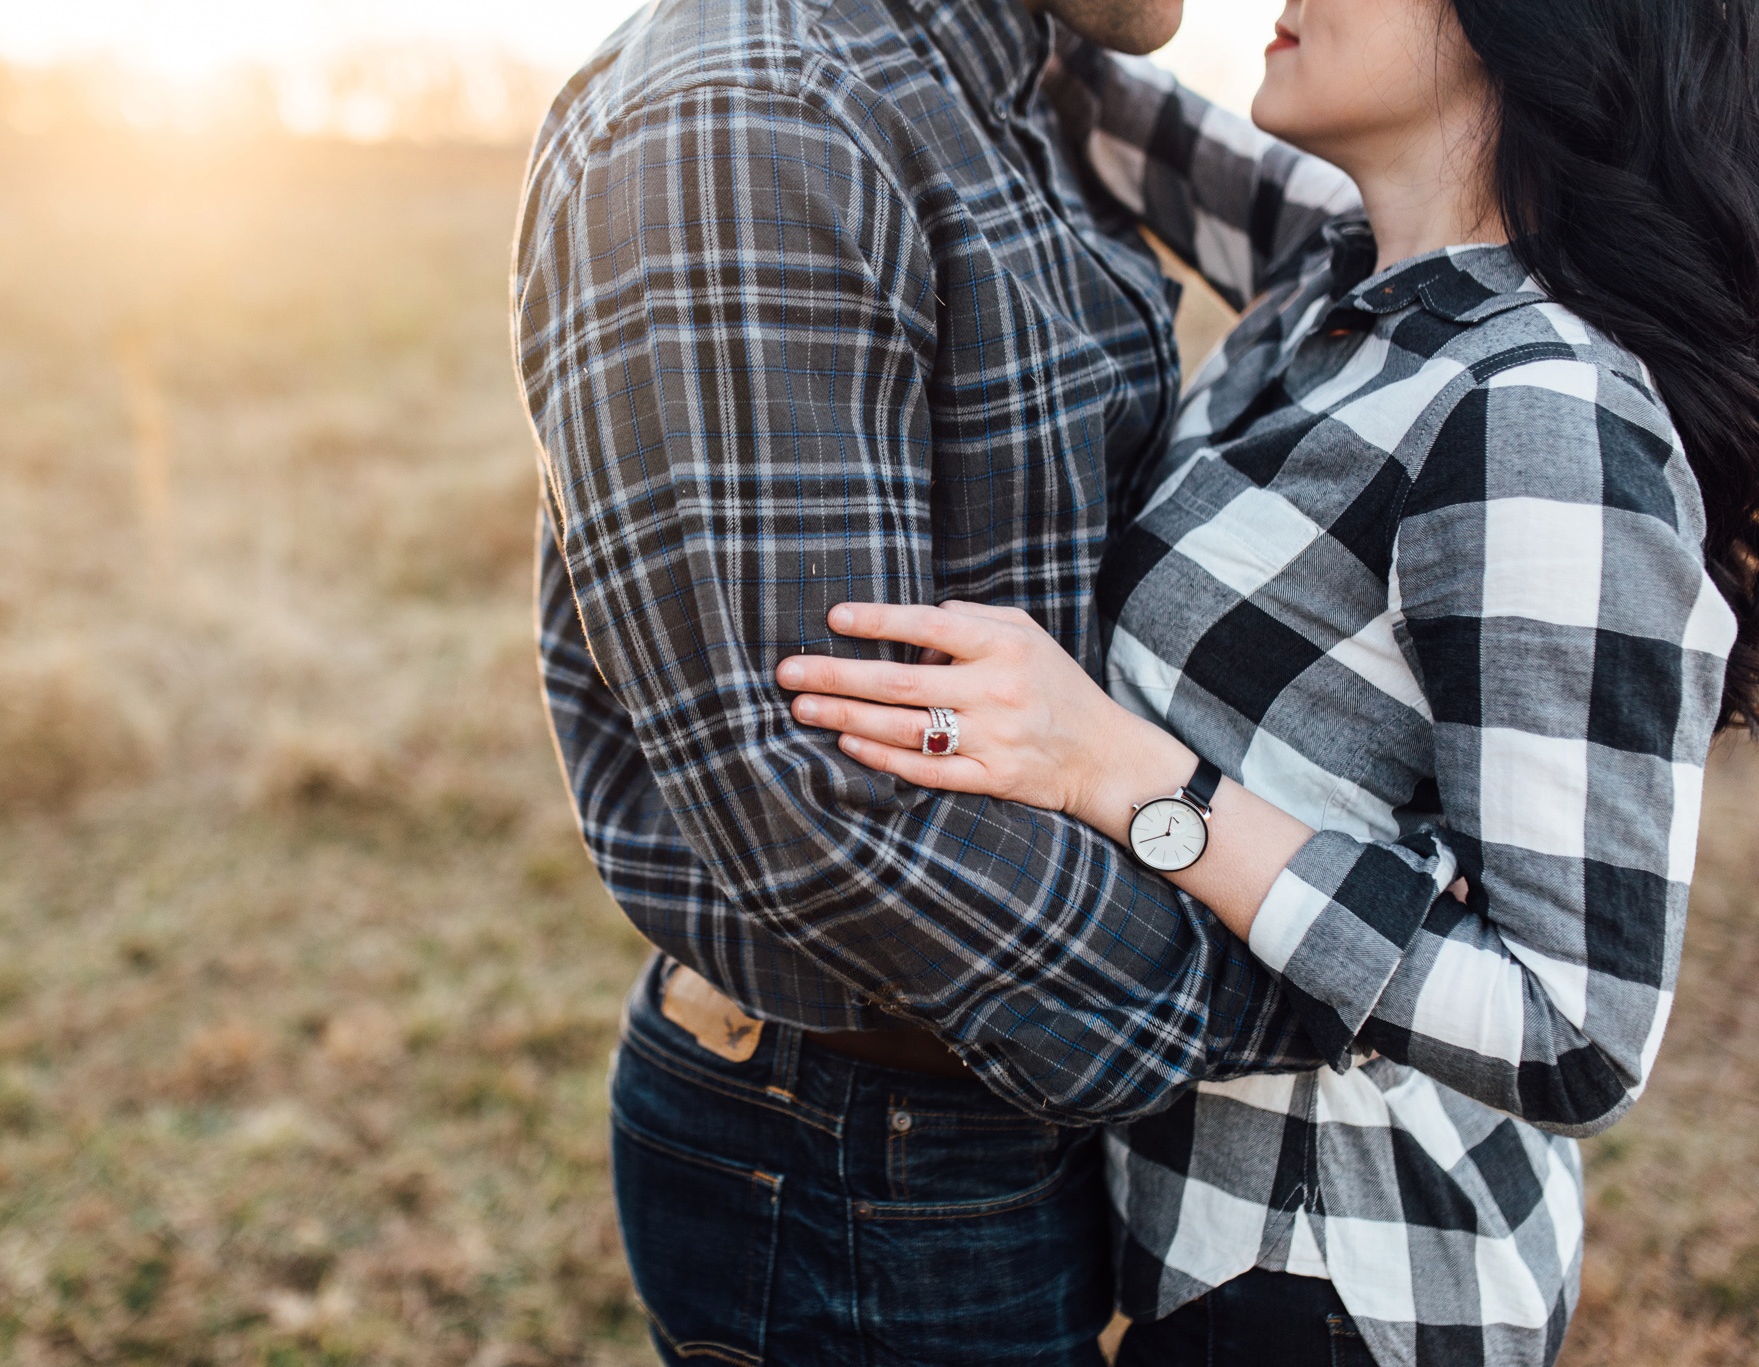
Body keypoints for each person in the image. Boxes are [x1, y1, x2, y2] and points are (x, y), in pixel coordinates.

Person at [779, 0, 1759, 1362]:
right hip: (1184, 1236)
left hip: (1335, 1293)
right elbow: (1101, 84)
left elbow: (1575, 1033)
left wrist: (1130, 779)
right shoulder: (1340, 275)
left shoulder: (1540, 414)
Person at [512, 0, 1361, 1360]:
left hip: (1016, 1069)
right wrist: (1311, 976)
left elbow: (1399, 226)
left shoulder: (1036, 75)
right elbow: (826, 803)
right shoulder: (757, 114)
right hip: (868, 1148)